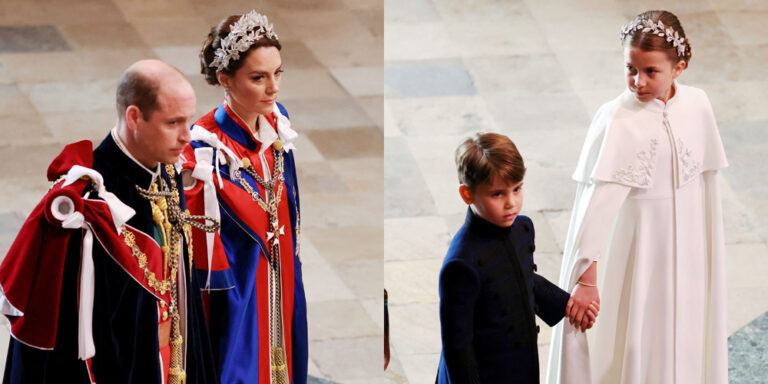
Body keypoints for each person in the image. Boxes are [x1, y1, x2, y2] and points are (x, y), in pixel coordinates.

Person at [0, 60, 219, 383]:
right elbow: (74, 338)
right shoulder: (90, 208)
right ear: (134, 117)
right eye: (173, 122)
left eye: (187, 120)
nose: (187, 136)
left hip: (173, 359)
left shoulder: (167, 169)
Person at [547, 10, 729, 384]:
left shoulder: (698, 105)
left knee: (686, 334)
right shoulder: (616, 119)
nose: (638, 81)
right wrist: (586, 279)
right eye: (631, 68)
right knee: (637, 338)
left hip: (687, 254)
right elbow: (593, 213)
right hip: (639, 253)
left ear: (679, 67)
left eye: (650, 71)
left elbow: (706, 189)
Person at [181, 10, 307, 384]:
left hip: (281, 273)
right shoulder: (204, 149)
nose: (274, 88)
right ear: (225, 79)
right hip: (239, 290)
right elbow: (200, 245)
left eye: (278, 73)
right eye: (258, 78)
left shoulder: (277, 120)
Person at [436, 133, 596, 383]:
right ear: (467, 195)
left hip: (520, 365)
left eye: (517, 189)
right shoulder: (461, 264)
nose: (512, 203)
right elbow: (458, 349)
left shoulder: (522, 229)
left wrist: (566, 303)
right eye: (497, 194)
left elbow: (522, 277)